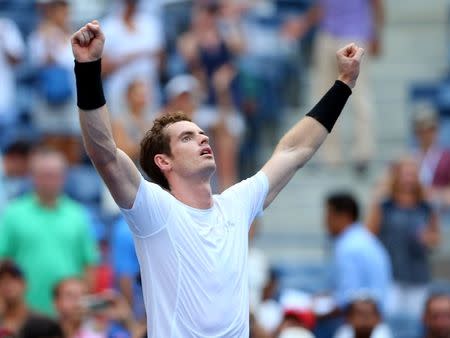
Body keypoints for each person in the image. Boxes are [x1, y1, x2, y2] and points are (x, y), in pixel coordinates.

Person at [71, 19, 363, 337]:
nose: (203, 139)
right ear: (162, 161)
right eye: (187, 137)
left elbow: (294, 150)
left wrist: (343, 84)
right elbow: (104, 153)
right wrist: (87, 69)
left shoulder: (236, 204)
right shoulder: (153, 210)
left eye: (201, 133)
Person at [284, 0, 384, 172]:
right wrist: (304, 23)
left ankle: (363, 152)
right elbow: (321, 7)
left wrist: (376, 34)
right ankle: (329, 156)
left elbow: (376, 4)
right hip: (327, 35)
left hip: (355, 36)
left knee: (360, 98)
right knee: (324, 96)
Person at [0, 148, 99, 315]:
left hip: (67, 314)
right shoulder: (14, 214)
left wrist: (83, 304)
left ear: (63, 178)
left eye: (54, 175)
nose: (50, 181)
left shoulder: (78, 215)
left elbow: (89, 265)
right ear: (33, 177)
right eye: (44, 175)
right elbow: (3, 261)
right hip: (24, 314)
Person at [366, 157, 440, 318]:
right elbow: (369, 236)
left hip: (418, 274)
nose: (408, 179)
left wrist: (428, 238)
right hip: (391, 274)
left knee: (416, 320)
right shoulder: (385, 206)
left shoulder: (426, 207)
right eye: (405, 174)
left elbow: (435, 237)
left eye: (412, 174)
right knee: (391, 317)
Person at [29, 0, 81, 164]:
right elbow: (38, 61)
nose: (64, 16)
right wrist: (49, 38)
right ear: (51, 12)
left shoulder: (72, 35)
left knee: (72, 141)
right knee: (50, 141)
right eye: (60, 11)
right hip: (49, 97)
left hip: (72, 96)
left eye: (65, 12)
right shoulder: (40, 35)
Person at [325, 193, 391, 312]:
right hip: (373, 313)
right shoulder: (361, 238)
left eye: (329, 216)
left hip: (365, 320)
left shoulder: (349, 247)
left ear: (344, 216)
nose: (325, 222)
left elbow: (347, 299)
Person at [101, 0, 164, 115]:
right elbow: (103, 67)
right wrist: (133, 56)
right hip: (119, 89)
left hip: (148, 87)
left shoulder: (150, 23)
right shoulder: (108, 26)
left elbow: (160, 57)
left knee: (150, 127)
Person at [53, 277, 135, 338]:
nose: (78, 301)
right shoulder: (45, 330)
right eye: (70, 295)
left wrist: (127, 319)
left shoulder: (100, 332)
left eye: (83, 295)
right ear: (56, 302)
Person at [0, 260, 63, 338]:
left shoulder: (45, 325)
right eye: (1, 279)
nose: (7, 283)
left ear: (25, 284)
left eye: (13, 278)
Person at [412, 105, 450, 210]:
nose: (426, 134)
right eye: (421, 130)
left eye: (430, 129)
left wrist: (433, 194)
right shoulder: (409, 159)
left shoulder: (446, 158)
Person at [112, 79, 156, 163]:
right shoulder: (119, 121)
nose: (143, 98)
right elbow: (122, 152)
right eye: (138, 94)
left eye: (145, 94)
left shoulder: (152, 118)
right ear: (128, 96)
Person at [0, 17, 25, 150]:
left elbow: (17, 60)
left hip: (5, 100)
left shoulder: (6, 26)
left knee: (8, 148)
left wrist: (3, 39)